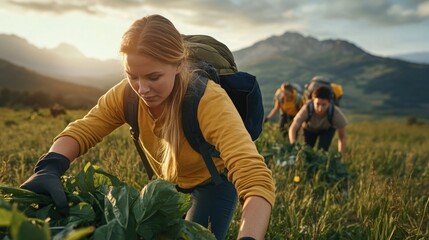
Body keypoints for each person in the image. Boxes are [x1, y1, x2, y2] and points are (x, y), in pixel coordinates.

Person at [19, 14, 275, 240]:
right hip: (168, 182)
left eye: (153, 77)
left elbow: (254, 176)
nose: (142, 89)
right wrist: (50, 166)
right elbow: (84, 129)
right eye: (132, 76)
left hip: (214, 182)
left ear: (177, 65)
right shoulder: (126, 95)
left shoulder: (208, 100)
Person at [288, 86, 347, 161]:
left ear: (329, 103)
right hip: (309, 129)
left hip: (326, 131)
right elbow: (293, 127)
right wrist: (293, 143)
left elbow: (342, 138)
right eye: (318, 104)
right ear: (313, 101)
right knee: (306, 152)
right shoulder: (307, 108)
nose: (320, 108)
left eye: (324, 105)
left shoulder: (335, 113)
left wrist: (341, 158)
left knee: (322, 153)